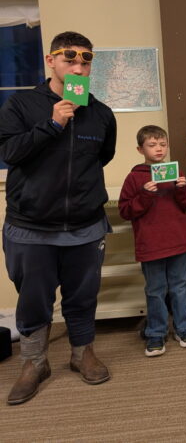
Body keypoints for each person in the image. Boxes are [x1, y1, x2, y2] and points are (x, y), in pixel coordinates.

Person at [0, 31, 116, 405]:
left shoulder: (100, 113)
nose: (79, 67)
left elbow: (103, 156)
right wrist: (51, 125)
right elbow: (9, 153)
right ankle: (34, 362)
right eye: (70, 59)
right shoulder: (21, 104)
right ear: (51, 60)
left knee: (83, 296)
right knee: (33, 299)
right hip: (31, 227)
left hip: (85, 225)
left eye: (86, 60)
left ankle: (82, 352)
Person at [119, 125, 186, 357]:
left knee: (179, 288)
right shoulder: (135, 177)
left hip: (177, 241)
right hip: (151, 245)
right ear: (140, 149)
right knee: (155, 290)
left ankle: (184, 328)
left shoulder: (176, 172)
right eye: (152, 145)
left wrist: (181, 190)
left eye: (162, 144)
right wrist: (145, 194)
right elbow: (126, 211)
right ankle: (155, 333)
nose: (158, 149)